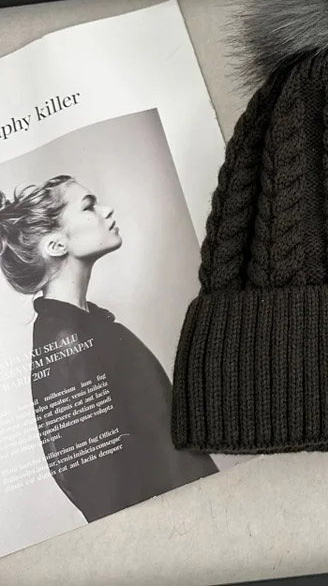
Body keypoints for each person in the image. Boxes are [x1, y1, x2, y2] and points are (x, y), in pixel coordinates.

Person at [0, 174, 216, 521]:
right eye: (89, 207)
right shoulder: (64, 341)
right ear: (56, 245)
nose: (107, 210)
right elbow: (99, 487)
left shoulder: (88, 327)